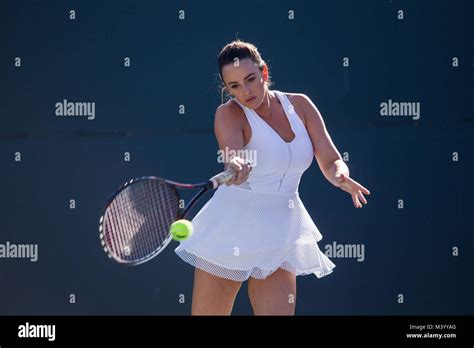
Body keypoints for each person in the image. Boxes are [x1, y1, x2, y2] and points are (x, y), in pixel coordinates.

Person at [175, 39, 370, 315]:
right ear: (227, 89)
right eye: (234, 86)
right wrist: (237, 164)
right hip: (231, 228)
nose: (246, 91)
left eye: (251, 79)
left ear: (264, 73)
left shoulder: (300, 105)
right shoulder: (228, 114)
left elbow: (330, 159)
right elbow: (233, 153)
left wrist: (339, 174)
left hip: (281, 229)